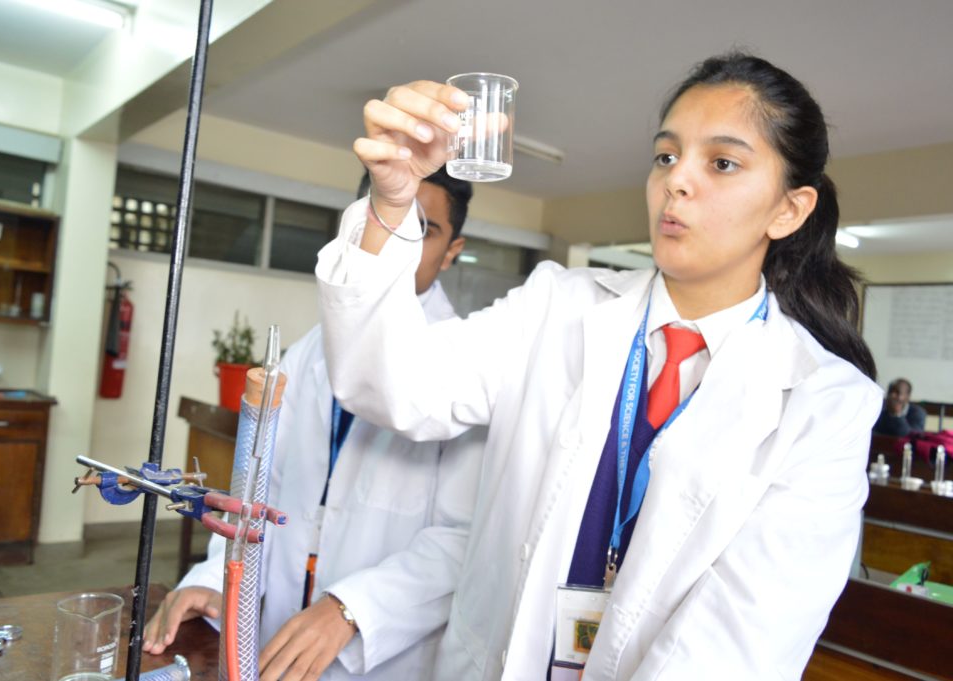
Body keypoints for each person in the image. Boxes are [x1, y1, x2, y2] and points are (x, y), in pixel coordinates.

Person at [315, 53, 882, 680]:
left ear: (789, 210)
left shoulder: (826, 403)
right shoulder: (557, 305)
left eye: (721, 162)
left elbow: (739, 641)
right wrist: (391, 200)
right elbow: (394, 386)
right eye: (666, 156)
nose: (676, 182)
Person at [143, 168, 486, 680]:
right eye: (387, 222)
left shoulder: (467, 368)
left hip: (385, 653)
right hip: (279, 630)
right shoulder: (307, 355)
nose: (402, 244)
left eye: (425, 230)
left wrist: (353, 609)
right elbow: (259, 488)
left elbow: (464, 539)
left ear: (452, 249)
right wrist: (218, 577)